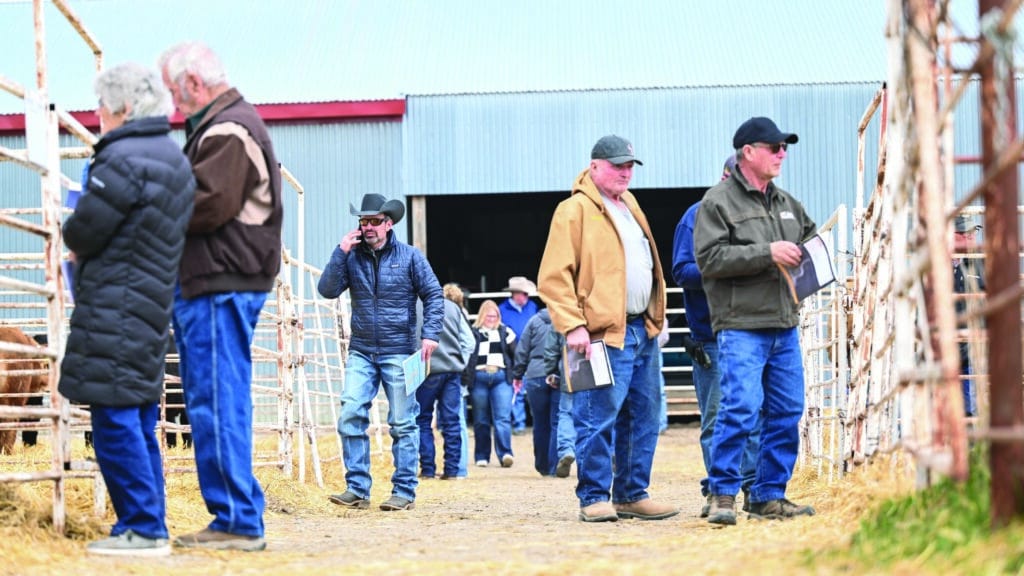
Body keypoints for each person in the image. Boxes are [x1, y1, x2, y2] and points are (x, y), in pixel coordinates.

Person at [58, 62, 195, 556]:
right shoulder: (173, 159)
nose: (96, 115)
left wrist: (67, 228)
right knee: (136, 415)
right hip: (151, 300)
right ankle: (148, 520)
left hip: (115, 301)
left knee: (114, 417)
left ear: (120, 108)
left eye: (100, 106)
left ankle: (142, 527)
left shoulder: (121, 159)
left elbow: (85, 229)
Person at [159, 41, 283, 551]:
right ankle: (236, 511)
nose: (174, 103)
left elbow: (206, 205)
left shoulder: (227, 130)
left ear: (193, 83)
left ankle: (236, 517)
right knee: (217, 395)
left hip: (220, 279)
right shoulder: (230, 123)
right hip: (225, 278)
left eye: (174, 91)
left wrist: (150, 206)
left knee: (216, 397)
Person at [537, 134, 678, 522]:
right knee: (596, 415)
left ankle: (632, 493)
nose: (626, 172)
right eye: (617, 165)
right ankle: (594, 495)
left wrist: (655, 316)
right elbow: (553, 276)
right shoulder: (574, 210)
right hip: (598, 334)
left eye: (630, 165)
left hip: (640, 329)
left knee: (644, 415)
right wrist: (573, 326)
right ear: (594, 166)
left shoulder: (629, 204)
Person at [694, 117, 817, 525]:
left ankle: (767, 495)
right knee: (740, 408)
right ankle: (723, 494)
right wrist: (767, 252)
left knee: (786, 410)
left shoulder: (787, 204)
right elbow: (708, 260)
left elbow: (813, 242)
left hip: (783, 323)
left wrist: (819, 261)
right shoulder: (718, 202)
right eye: (774, 147)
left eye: (785, 147)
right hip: (742, 324)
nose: (782, 153)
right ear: (749, 152)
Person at [318, 193, 443, 510]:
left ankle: (404, 491)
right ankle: (357, 489)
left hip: (400, 350)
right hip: (361, 350)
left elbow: (434, 295)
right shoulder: (350, 257)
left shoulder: (411, 257)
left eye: (375, 221)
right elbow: (327, 290)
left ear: (389, 224)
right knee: (350, 414)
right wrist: (340, 250)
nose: (368, 226)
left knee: (403, 422)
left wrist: (429, 335)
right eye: (363, 221)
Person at [671, 154, 761, 518]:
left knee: (754, 414)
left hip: (755, 330)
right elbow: (681, 270)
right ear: (724, 176)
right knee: (719, 417)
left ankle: (754, 489)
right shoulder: (695, 217)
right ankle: (719, 491)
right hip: (714, 334)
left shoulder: (761, 218)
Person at [416, 283, 476, 480]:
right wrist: (459, 361)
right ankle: (451, 470)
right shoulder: (453, 308)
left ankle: (428, 469)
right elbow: (469, 342)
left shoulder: (414, 305)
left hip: (427, 369)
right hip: (452, 371)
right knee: (452, 421)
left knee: (423, 419)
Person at [466, 299, 517, 467]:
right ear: (482, 316)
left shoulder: (506, 332)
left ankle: (505, 454)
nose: (492, 319)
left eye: (495, 316)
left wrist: (516, 375)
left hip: (501, 377)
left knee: (502, 418)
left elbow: (516, 355)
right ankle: (482, 456)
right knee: (481, 420)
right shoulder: (472, 332)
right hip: (479, 377)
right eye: (488, 316)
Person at [511, 308, 561, 476]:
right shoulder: (564, 318)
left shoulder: (533, 321)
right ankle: (555, 466)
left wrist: (518, 373)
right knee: (557, 422)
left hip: (535, 374)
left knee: (540, 423)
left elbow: (522, 349)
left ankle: (542, 466)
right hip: (559, 373)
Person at [952, 214, 985, 417]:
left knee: (971, 408)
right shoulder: (936, 266)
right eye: (967, 233)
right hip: (946, 346)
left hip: (972, 347)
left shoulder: (978, 263)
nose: (973, 237)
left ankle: (972, 445)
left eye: (974, 232)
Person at [498, 276, 539, 435]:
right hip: (512, 353)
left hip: (532, 352)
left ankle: (535, 422)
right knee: (517, 388)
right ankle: (519, 423)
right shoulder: (502, 310)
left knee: (534, 387)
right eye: (523, 294)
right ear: (514, 294)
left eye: (526, 294)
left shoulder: (532, 306)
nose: (525, 297)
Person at [541, 327, 576, 478]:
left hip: (570, 368)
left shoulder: (564, 312)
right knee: (597, 415)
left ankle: (566, 450)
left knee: (566, 413)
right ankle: (606, 455)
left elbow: (551, 349)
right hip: (598, 367)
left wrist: (552, 371)